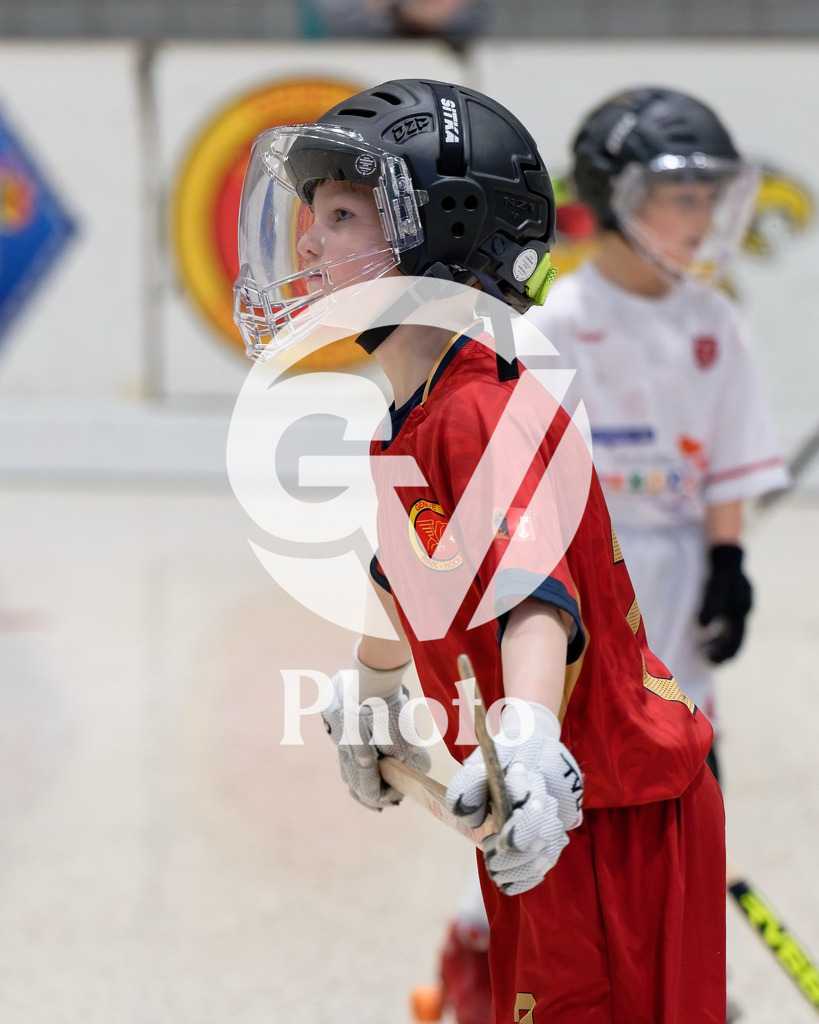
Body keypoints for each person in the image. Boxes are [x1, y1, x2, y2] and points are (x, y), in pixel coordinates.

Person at [233, 79, 727, 1023]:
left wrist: (529, 741)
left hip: (606, 813)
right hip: (546, 809)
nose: (307, 244)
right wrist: (374, 684)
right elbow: (409, 575)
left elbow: (534, 599)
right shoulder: (412, 411)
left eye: (340, 216)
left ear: (443, 231)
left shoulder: (479, 409)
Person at [440, 85, 791, 1024]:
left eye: (710, 195)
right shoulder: (554, 326)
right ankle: (482, 952)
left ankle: (678, 976)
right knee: (546, 791)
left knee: (675, 781)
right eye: (681, 195)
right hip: (581, 579)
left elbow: (727, 463)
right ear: (617, 198)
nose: (701, 216)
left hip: (678, 576)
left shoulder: (715, 324)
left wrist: (728, 563)